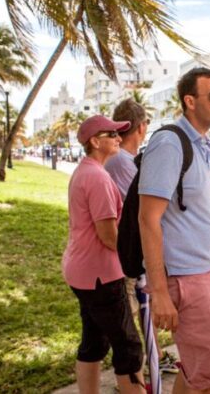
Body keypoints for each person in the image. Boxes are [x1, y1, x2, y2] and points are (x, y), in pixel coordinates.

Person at [138, 67, 210, 394]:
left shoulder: (199, 144)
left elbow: (192, 206)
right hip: (186, 279)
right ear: (190, 101)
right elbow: (148, 219)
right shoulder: (170, 144)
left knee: (194, 371)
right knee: (209, 379)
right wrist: (159, 292)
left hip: (206, 272)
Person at [62, 115, 146, 394]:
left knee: (94, 342)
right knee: (129, 347)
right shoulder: (97, 177)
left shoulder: (85, 171)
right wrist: (139, 259)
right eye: (113, 135)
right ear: (96, 142)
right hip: (101, 276)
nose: (119, 139)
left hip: (82, 273)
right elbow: (109, 235)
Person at [105, 98, 179, 375]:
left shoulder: (120, 160)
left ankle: (155, 359)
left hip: (127, 250)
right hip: (129, 252)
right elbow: (143, 209)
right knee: (138, 312)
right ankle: (144, 367)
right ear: (141, 127)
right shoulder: (123, 162)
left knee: (142, 311)